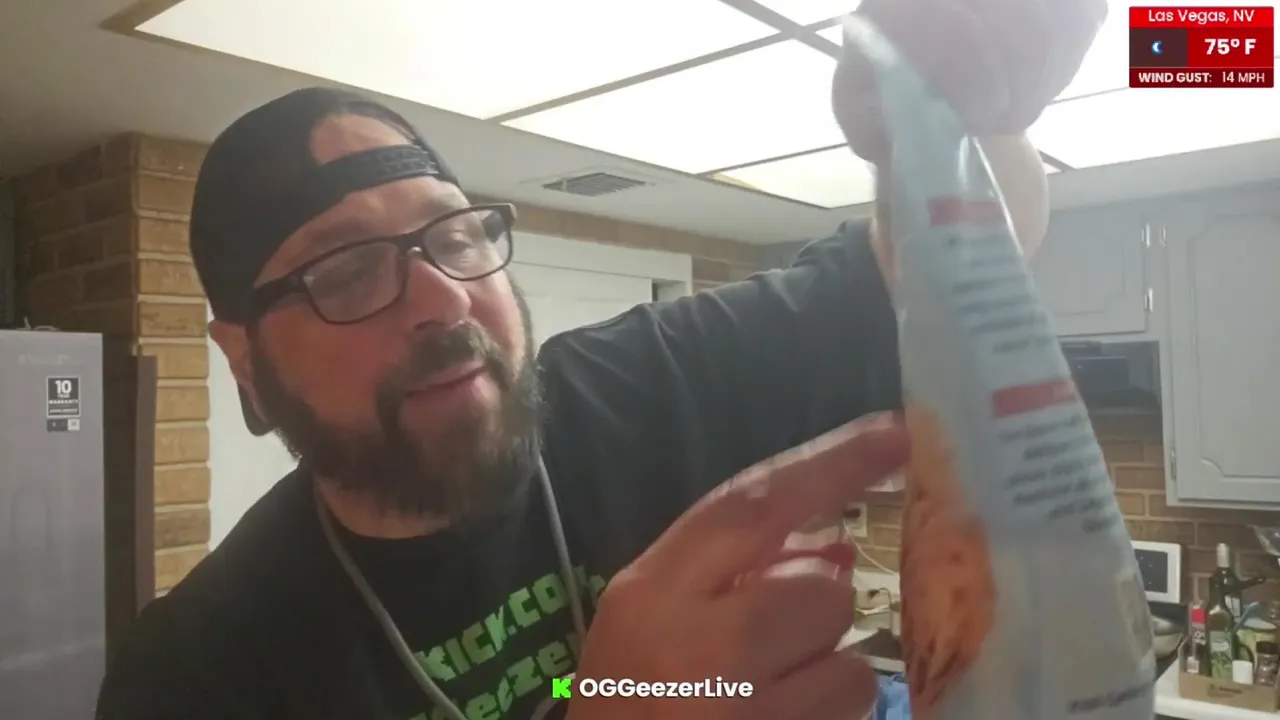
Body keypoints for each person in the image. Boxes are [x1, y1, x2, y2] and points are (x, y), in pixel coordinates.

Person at [95, 1, 1105, 718]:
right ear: (244, 362)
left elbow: (937, 267)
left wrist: (968, 112)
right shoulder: (196, 675)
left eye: (455, 236)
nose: (443, 297)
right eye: (348, 272)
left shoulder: (637, 390)